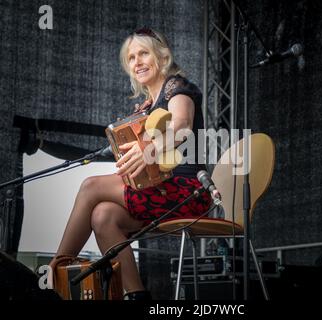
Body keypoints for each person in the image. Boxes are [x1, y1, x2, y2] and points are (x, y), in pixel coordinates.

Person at [49, 28, 211, 300]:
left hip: (189, 191)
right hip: (161, 190)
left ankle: (57, 271)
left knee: (90, 187)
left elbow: (182, 127)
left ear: (162, 55)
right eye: (131, 57)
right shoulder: (146, 106)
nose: (137, 62)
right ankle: (137, 296)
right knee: (103, 216)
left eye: (144, 53)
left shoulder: (177, 87)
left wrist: (148, 148)